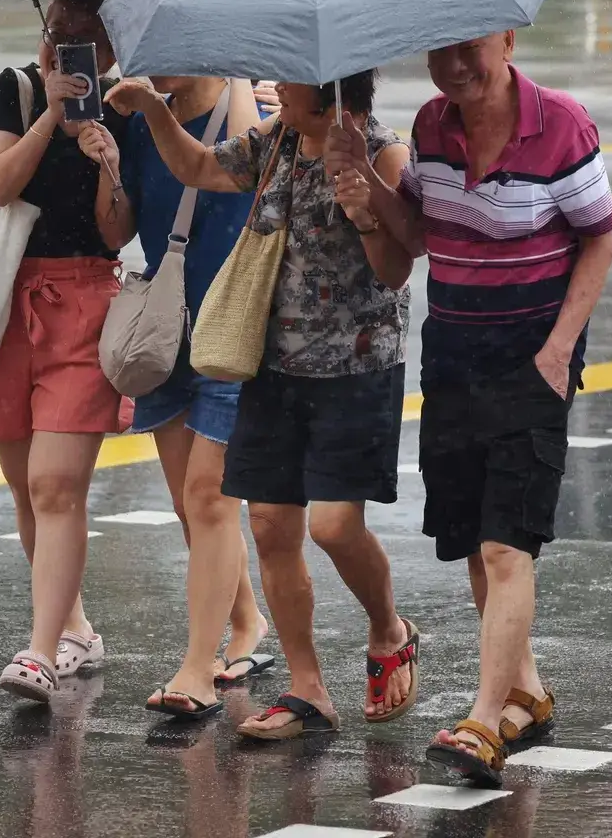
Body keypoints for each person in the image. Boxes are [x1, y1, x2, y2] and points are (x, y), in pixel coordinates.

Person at [337, 30, 612, 787]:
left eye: (471, 49)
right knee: (472, 536)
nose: (454, 66)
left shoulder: (560, 123)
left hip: (531, 353)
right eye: (439, 52)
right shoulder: (432, 126)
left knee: (507, 544)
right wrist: (368, 189)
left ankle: (484, 721)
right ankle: (526, 689)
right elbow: (425, 234)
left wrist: (560, 349)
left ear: (509, 39)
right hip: (455, 349)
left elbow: (599, 241)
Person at [118, 71, 417, 740]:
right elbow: (197, 165)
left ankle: (388, 627)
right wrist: (149, 109)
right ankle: (308, 690)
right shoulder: (278, 139)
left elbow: (400, 267)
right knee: (272, 529)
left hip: (356, 369)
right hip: (272, 366)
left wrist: (368, 207)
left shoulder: (384, 152)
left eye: (291, 78)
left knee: (335, 528)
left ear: (333, 86)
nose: (276, 85)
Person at [0, 0, 135, 703]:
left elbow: (117, 234)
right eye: (59, 37)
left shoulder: (126, 108)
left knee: (55, 484)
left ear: (111, 53)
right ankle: (74, 629)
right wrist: (51, 122)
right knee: (25, 489)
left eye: (87, 45)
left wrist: (108, 164)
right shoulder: (13, 92)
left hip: (85, 304)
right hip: (4, 304)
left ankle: (39, 651)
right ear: (44, 42)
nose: (69, 53)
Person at [106, 75, 273, 720]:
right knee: (188, 503)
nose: (158, 63)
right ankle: (247, 623)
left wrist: (235, 81)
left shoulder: (257, 112)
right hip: (166, 329)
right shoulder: (139, 121)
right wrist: (104, 160)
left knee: (208, 496)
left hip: (232, 333)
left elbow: (228, 165)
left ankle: (197, 667)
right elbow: (115, 227)